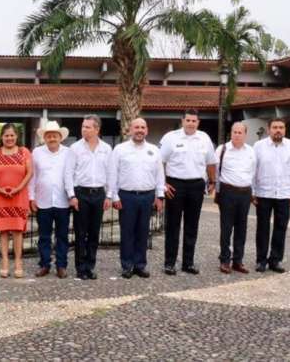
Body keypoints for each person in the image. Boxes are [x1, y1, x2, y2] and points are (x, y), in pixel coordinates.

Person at [159, 109, 217, 276]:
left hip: (196, 186)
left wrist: (212, 181)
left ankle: (188, 263)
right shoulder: (170, 137)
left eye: (194, 121)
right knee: (172, 226)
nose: (191, 123)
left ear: (198, 122)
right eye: (188, 120)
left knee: (192, 226)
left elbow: (211, 162)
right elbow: (159, 162)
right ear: (182, 121)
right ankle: (169, 263)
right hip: (175, 185)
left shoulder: (204, 138)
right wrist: (162, 184)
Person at [108, 118, 165, 279]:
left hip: (147, 196)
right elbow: (112, 174)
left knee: (143, 232)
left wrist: (159, 195)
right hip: (126, 196)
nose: (139, 130)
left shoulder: (154, 150)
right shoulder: (120, 149)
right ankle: (127, 265)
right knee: (127, 232)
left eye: (142, 127)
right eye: (136, 127)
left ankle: (140, 265)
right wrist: (114, 196)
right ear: (130, 130)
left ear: (146, 130)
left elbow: (159, 174)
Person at [252, 118, 290, 274]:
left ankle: (276, 260)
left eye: (281, 127)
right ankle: (261, 261)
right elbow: (253, 170)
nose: (278, 130)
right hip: (263, 193)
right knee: (262, 228)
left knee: (281, 228)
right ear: (269, 129)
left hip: (284, 194)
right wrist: (252, 191)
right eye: (275, 127)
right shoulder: (258, 146)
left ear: (285, 129)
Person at [66, 115, 111, 280]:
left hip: (99, 194)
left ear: (97, 129)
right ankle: (80, 267)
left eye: (87, 127)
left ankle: (90, 266)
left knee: (94, 233)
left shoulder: (106, 149)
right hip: (81, 193)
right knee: (80, 232)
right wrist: (72, 195)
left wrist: (109, 195)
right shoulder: (75, 148)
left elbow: (110, 173)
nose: (84, 129)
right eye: (83, 126)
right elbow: (68, 173)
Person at [0, 123, 32, 278]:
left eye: (12, 135)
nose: (9, 138)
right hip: (0, 196)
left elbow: (29, 173)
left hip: (18, 195)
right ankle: (5, 262)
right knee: (4, 230)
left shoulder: (24, 152)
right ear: (2, 137)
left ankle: (18, 262)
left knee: (18, 230)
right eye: (6, 135)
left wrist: (18, 188)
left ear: (16, 136)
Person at [30, 121, 71, 279]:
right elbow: (32, 177)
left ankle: (61, 265)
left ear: (60, 137)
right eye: (49, 135)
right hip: (43, 200)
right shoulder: (37, 153)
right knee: (44, 236)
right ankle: (44, 264)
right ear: (44, 138)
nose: (52, 138)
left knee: (62, 235)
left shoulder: (68, 153)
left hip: (63, 201)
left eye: (55, 135)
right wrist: (31, 197)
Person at [215, 122, 256, 274]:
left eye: (240, 132)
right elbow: (216, 172)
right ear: (230, 133)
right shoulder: (222, 149)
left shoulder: (251, 151)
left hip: (245, 193)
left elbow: (254, 173)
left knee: (242, 228)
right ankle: (225, 260)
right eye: (234, 132)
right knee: (226, 227)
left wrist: (252, 192)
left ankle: (238, 261)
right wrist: (218, 193)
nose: (237, 135)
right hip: (227, 192)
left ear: (245, 134)